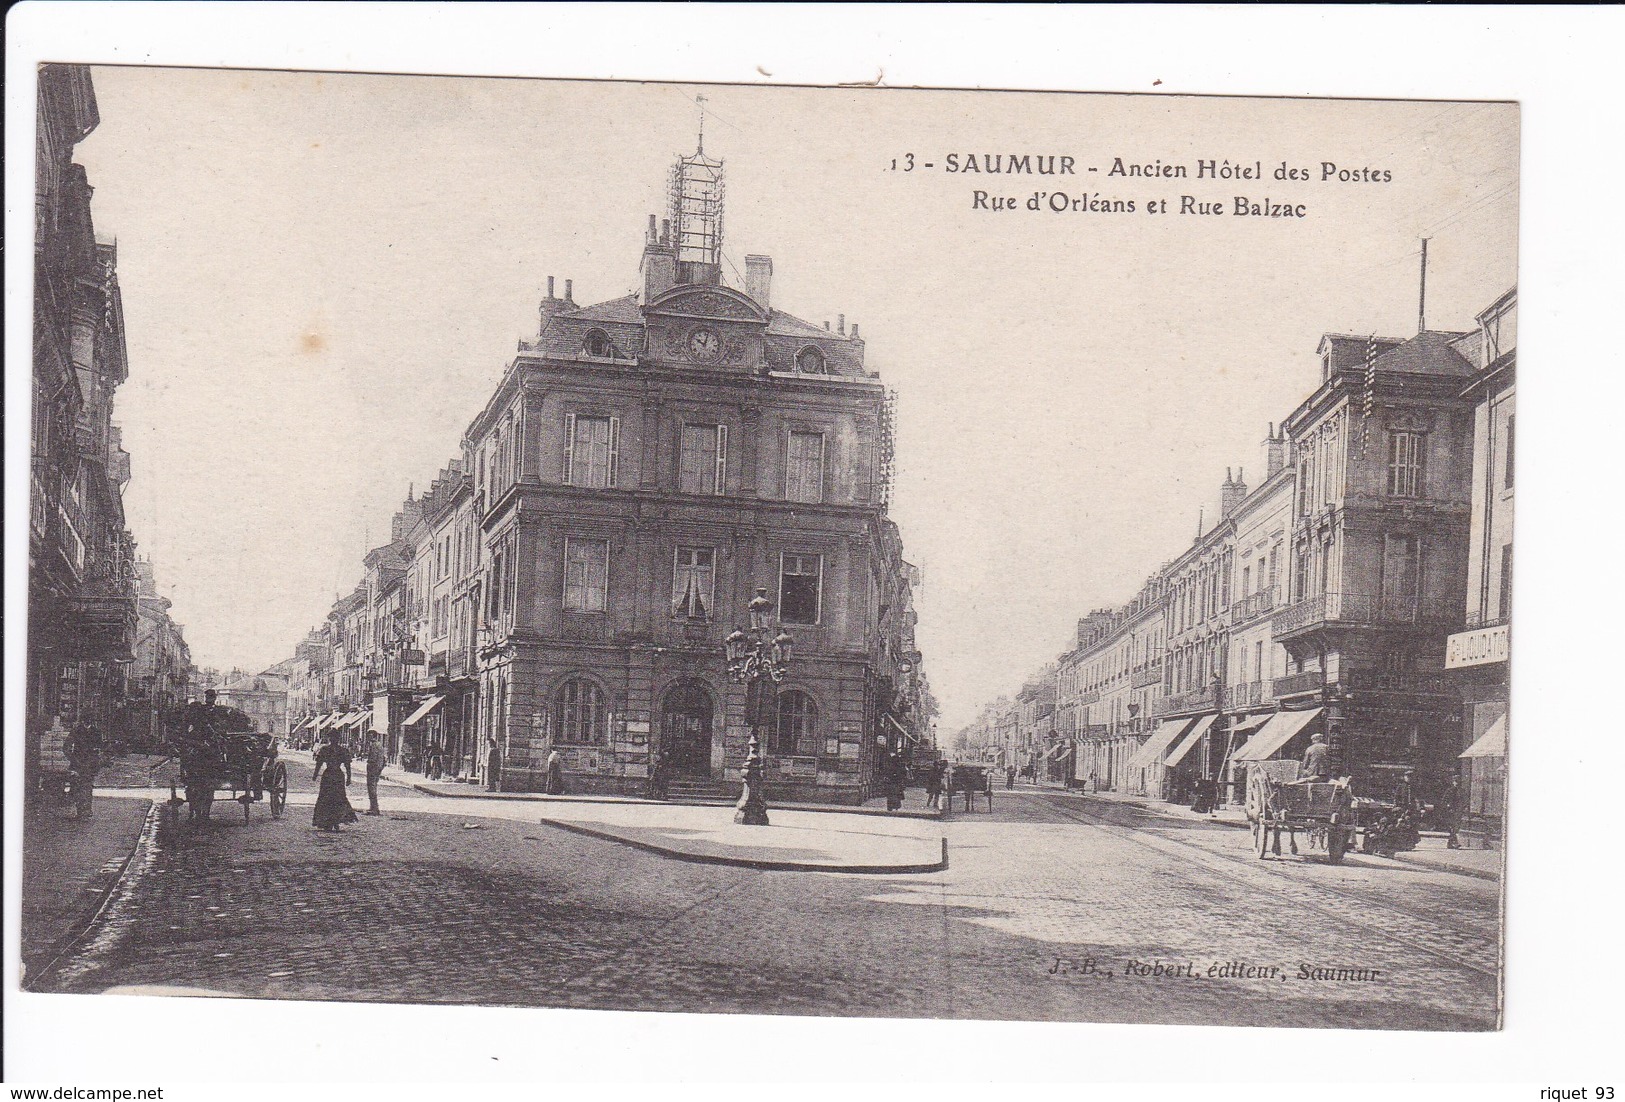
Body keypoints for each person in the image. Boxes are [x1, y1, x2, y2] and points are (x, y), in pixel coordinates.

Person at [312, 730, 358, 831]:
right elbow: (347, 765)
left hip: (328, 775)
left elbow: (318, 764)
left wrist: (315, 775)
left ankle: (328, 821)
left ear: (330, 739)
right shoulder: (342, 750)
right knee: (338, 798)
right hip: (338, 776)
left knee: (326, 797)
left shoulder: (325, 750)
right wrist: (349, 777)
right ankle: (335, 820)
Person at [66, 721, 103, 819]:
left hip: (90, 764)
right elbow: (66, 747)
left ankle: (86, 811)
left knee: (86, 787)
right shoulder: (77, 730)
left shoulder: (96, 732)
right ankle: (81, 811)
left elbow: (100, 747)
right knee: (79, 787)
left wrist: (95, 759)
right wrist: (73, 759)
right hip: (79, 763)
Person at [364, 735, 387, 815]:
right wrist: (380, 769)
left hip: (373, 769)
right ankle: (373, 807)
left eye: (369, 736)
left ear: (371, 736)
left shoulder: (374, 745)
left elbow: (373, 759)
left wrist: (369, 765)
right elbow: (384, 759)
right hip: (377, 769)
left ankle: (374, 808)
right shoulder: (380, 745)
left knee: (371, 789)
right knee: (373, 788)